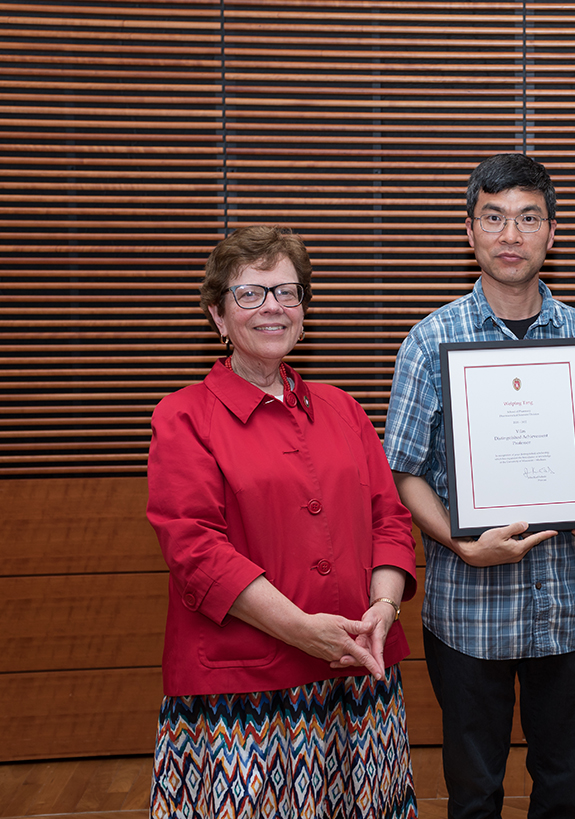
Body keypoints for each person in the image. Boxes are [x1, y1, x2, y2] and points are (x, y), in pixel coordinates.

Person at [146, 225, 419, 819]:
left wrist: (384, 607)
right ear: (219, 317)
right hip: (242, 691)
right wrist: (302, 630)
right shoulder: (183, 417)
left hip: (358, 673)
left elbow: (390, 520)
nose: (273, 306)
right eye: (251, 294)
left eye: (287, 292)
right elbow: (196, 552)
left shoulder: (344, 407)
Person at [384, 153, 575, 819]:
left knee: (564, 792)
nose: (511, 235)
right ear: (470, 231)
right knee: (473, 795)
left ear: (552, 232)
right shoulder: (429, 341)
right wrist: (459, 545)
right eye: (494, 218)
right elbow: (402, 471)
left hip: (571, 607)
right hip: (469, 611)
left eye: (527, 218)